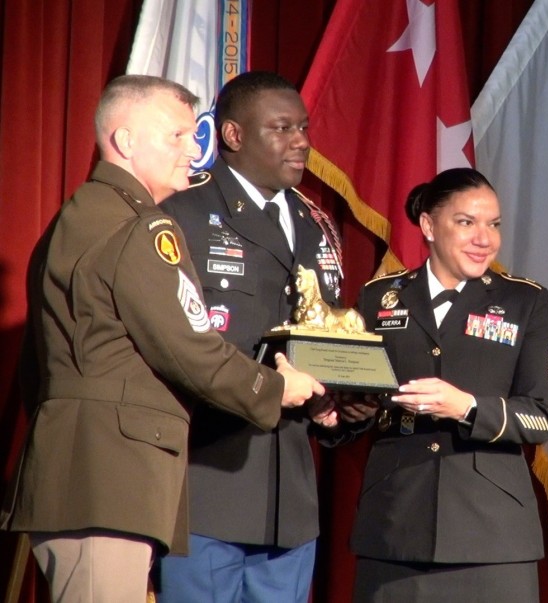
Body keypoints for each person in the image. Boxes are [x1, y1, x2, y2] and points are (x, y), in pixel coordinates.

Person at [0, 74, 325, 603]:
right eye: (176, 136)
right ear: (126, 142)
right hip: (111, 481)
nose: (194, 151)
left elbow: (38, 367)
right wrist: (274, 388)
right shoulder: (140, 228)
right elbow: (189, 347)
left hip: (80, 472)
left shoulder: (76, 218)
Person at [155, 71, 345, 603]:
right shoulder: (181, 214)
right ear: (234, 136)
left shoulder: (317, 226)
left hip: (290, 498)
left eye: (303, 127)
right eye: (282, 127)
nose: (302, 140)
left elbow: (324, 339)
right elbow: (169, 346)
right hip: (209, 482)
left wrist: (343, 402)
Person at [349, 167, 548, 602]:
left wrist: (466, 406)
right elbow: (350, 403)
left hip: (493, 536)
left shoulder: (525, 301)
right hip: (395, 528)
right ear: (428, 225)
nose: (484, 238)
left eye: (493, 224)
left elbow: (542, 414)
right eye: (466, 222)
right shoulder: (379, 298)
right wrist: (350, 413)